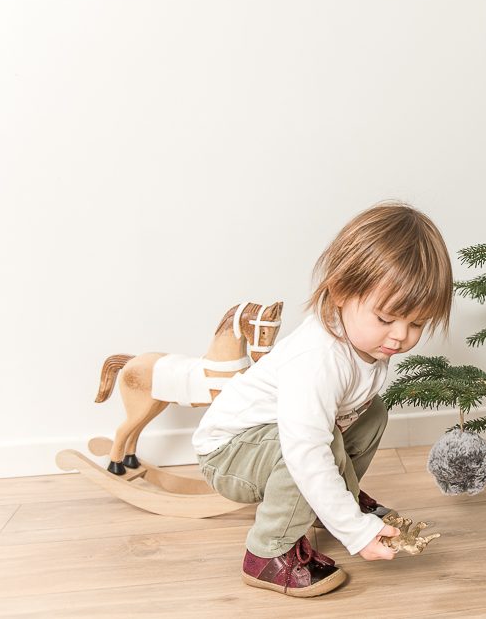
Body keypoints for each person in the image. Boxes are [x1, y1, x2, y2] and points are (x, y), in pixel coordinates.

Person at [192, 202, 453, 597]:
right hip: (228, 453)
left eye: (416, 323)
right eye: (386, 319)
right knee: (313, 445)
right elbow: (307, 450)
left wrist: (343, 508)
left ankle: (332, 505)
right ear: (341, 293)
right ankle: (267, 553)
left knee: (373, 413)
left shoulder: (368, 344)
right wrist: (356, 531)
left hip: (282, 439)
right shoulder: (319, 360)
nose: (401, 336)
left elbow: (336, 427)